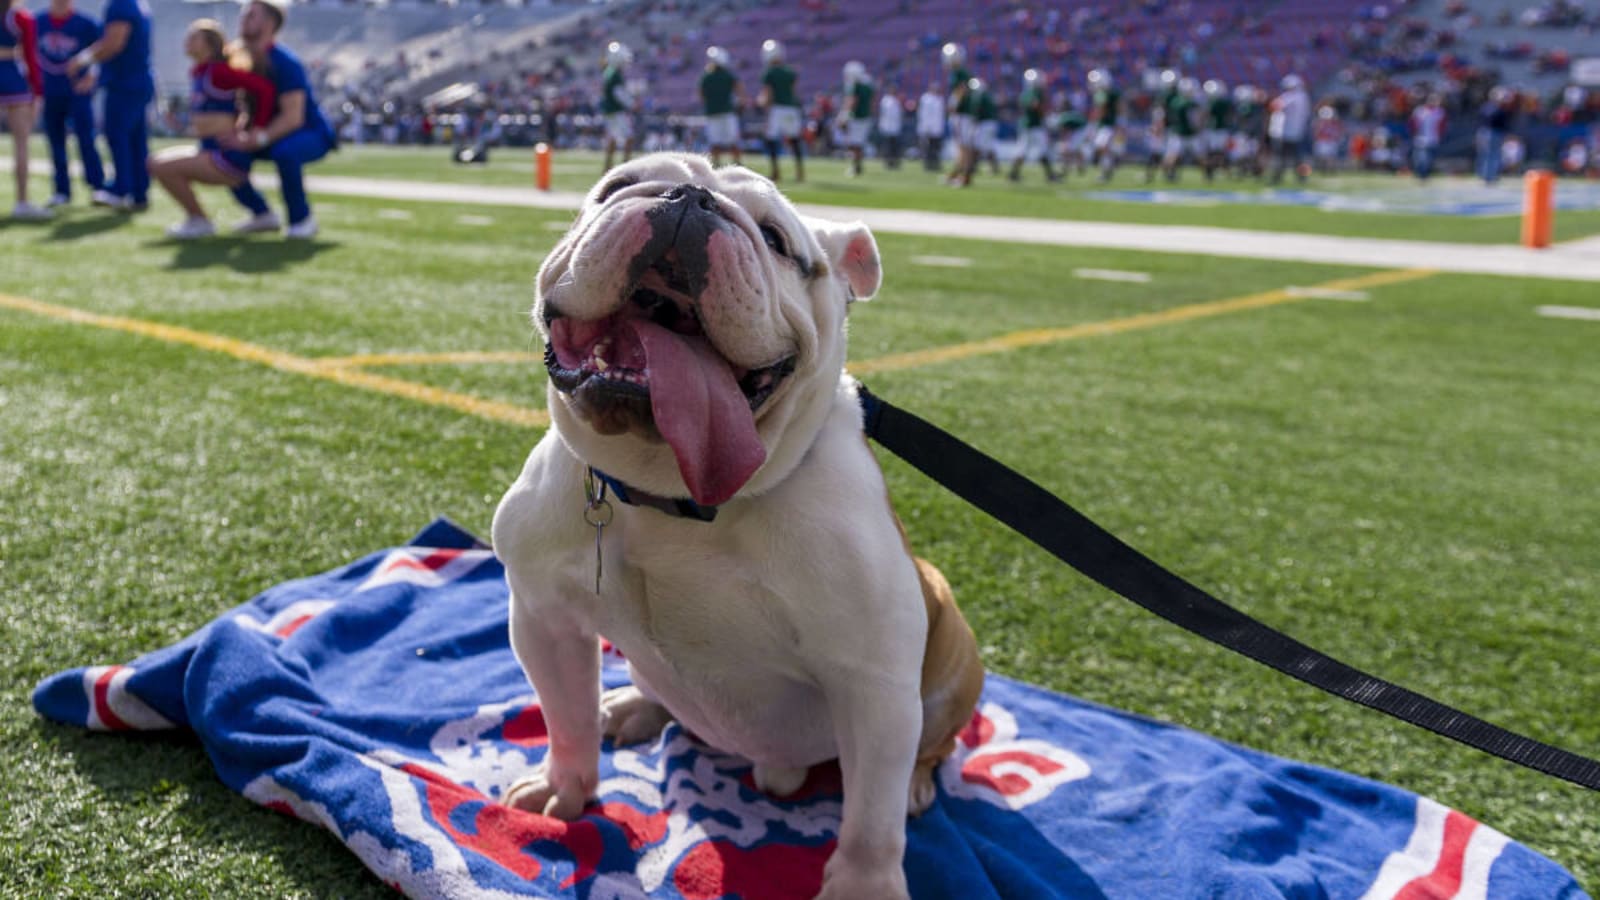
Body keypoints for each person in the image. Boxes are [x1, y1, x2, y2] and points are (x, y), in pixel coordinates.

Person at [146, 18, 274, 239]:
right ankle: (263, 214)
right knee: (156, 161)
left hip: (226, 154)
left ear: (209, 44)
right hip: (209, 148)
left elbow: (264, 89)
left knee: (161, 167)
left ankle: (199, 220)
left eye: (194, 37)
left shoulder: (219, 72)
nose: (187, 41)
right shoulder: (199, 73)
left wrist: (257, 130)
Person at [219, 0, 337, 239]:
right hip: (268, 133)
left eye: (252, 15)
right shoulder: (239, 58)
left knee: (286, 152)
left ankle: (301, 220)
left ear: (270, 23)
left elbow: (293, 117)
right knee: (226, 154)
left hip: (308, 132)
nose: (244, 19)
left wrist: (258, 138)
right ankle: (261, 214)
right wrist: (239, 134)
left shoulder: (285, 62)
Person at [66, 0, 151, 212]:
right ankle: (138, 192)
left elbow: (113, 43)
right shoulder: (136, 4)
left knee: (118, 135)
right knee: (135, 140)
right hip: (137, 81)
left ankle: (121, 190)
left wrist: (81, 60)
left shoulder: (121, 5)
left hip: (125, 83)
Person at [35, 0, 106, 207]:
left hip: (78, 92)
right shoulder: (38, 22)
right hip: (50, 91)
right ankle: (61, 190)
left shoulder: (86, 23)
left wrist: (93, 75)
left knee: (86, 138)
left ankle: (97, 186)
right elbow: (28, 53)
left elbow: (101, 52)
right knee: (55, 141)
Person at [758, 38, 802, 182]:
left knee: (771, 139)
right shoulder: (790, 71)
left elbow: (768, 94)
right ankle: (799, 172)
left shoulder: (769, 73)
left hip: (777, 109)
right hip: (791, 109)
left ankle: (776, 171)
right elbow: (794, 92)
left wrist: (764, 105)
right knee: (794, 139)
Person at [1009, 68, 1059, 183]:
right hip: (1034, 125)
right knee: (1040, 150)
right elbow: (1035, 105)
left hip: (1027, 124)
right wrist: (1045, 116)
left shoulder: (1025, 92)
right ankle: (1050, 175)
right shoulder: (1035, 92)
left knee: (1022, 151)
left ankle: (1013, 174)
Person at [699, 45, 741, 166]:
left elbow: (701, 96)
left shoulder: (706, 77)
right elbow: (739, 90)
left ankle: (716, 165)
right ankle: (737, 164)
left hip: (712, 113)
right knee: (733, 141)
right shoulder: (728, 75)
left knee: (715, 142)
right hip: (727, 112)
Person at [1266, 73, 1311, 185]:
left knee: (1281, 157)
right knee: (1298, 158)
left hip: (1286, 132)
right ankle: (1302, 177)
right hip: (1297, 132)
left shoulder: (1292, 96)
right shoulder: (1304, 97)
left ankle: (1277, 177)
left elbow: (1275, 106)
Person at [599, 40, 634, 172]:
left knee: (612, 140)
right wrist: (632, 104)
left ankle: (607, 168)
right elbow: (619, 95)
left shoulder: (609, 71)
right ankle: (626, 169)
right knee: (629, 138)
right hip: (616, 111)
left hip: (610, 111)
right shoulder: (615, 74)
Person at [941, 42, 973, 185]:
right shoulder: (960, 72)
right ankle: (957, 174)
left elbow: (961, 90)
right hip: (964, 115)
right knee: (962, 146)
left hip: (962, 114)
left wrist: (953, 105)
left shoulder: (959, 73)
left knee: (962, 146)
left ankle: (964, 176)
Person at [1086, 68, 1123, 183]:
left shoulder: (1109, 94)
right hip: (1103, 125)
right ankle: (1109, 167)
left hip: (1108, 125)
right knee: (1101, 148)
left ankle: (1108, 169)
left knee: (1102, 147)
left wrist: (1119, 122)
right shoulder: (1101, 94)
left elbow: (1104, 110)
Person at [838, 60, 872, 176]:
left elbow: (851, 101)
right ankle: (858, 166)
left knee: (854, 144)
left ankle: (856, 167)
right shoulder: (868, 86)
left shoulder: (856, 86)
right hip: (866, 117)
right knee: (858, 144)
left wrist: (844, 116)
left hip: (857, 117)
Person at [1477, 86, 1514, 185]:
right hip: (1491, 133)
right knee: (1489, 155)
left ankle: (1490, 175)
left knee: (1493, 155)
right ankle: (1488, 176)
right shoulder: (1491, 107)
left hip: (1493, 133)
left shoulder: (1499, 108)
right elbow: (1490, 119)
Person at [1200, 79, 1232, 182]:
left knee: (1213, 153)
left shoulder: (1214, 102)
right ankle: (1219, 170)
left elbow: (1206, 115)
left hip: (1214, 130)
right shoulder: (1224, 102)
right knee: (1219, 152)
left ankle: (1211, 171)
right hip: (1221, 129)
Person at [1409, 93, 1445, 182]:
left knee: (1429, 159)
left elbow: (1442, 126)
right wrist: (1414, 134)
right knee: (1421, 158)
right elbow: (1412, 123)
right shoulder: (1420, 110)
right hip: (1420, 138)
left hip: (1433, 138)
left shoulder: (1440, 111)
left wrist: (1440, 135)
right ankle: (1421, 175)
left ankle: (1424, 175)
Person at [915, 80, 944, 172]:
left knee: (935, 147)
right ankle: (928, 165)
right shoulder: (926, 98)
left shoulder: (940, 99)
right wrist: (925, 127)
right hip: (927, 127)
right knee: (927, 147)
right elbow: (923, 114)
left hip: (937, 128)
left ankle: (935, 164)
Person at [876, 82, 903, 170]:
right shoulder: (885, 100)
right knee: (887, 146)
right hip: (887, 126)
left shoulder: (897, 100)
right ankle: (887, 162)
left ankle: (895, 162)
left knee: (895, 146)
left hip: (895, 127)